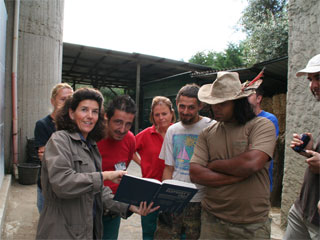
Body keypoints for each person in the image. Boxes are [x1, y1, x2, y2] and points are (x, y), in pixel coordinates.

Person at [36, 88, 158, 239]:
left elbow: (97, 190)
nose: (89, 116)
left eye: (94, 111)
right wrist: (105, 176)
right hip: (62, 227)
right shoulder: (59, 140)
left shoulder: (90, 145)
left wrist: (129, 206)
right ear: (71, 113)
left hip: (87, 225)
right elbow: (62, 184)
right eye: (84, 110)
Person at [189, 71, 276, 239]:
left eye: (222, 103)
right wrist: (236, 176)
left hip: (252, 224)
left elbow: (252, 163)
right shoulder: (207, 133)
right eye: (213, 103)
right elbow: (195, 173)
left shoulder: (261, 126)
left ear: (238, 102)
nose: (215, 108)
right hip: (212, 220)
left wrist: (213, 165)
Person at [154, 84, 213, 240]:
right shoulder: (172, 130)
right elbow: (168, 168)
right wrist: (165, 199)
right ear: (176, 104)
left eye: (191, 107)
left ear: (200, 105)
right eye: (182, 106)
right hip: (175, 198)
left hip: (200, 200)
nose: (186, 112)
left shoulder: (210, 127)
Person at [283, 54, 320, 239]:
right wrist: (311, 152)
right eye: (310, 79)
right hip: (303, 209)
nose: (313, 85)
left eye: (318, 77)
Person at [133, 96, 176, 240]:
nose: (161, 118)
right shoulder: (145, 134)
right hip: (149, 189)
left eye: (164, 114)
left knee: (173, 229)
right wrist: (141, 163)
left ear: (171, 113)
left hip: (172, 188)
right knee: (149, 230)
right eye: (157, 115)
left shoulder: (178, 132)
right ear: (152, 116)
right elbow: (129, 149)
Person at [97, 95, 137, 240]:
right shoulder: (92, 138)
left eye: (128, 124)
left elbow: (124, 168)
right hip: (88, 207)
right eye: (118, 122)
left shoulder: (130, 139)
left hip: (113, 210)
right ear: (106, 116)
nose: (122, 129)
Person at [34, 83, 73, 213]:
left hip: (69, 184)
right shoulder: (43, 125)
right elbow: (44, 158)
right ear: (52, 101)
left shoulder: (75, 125)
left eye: (70, 100)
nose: (67, 103)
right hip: (47, 184)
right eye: (63, 99)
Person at [248, 85, 279, 191]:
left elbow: (260, 150)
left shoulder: (269, 119)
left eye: (249, 94)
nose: (245, 97)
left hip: (261, 179)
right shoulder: (241, 119)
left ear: (258, 98)